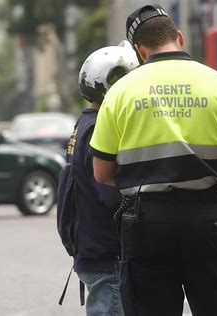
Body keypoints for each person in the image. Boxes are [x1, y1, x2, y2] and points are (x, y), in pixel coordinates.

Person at [89, 4, 217, 316]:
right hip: (207, 219)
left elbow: (101, 173)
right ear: (179, 37)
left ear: (140, 51)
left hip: (145, 225)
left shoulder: (120, 93)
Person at [64, 41, 139, 316]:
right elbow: (109, 190)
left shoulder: (83, 123)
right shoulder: (100, 127)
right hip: (108, 252)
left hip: (91, 247)